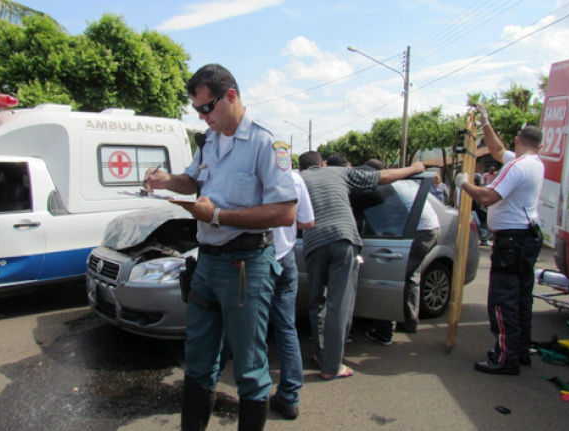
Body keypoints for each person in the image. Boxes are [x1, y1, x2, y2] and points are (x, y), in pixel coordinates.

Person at [143, 64, 297, 431]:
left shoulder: (267, 142)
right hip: (207, 263)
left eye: (206, 107)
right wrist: (167, 180)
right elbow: (191, 180)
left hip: (246, 265)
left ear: (230, 96)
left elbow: (286, 212)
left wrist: (219, 216)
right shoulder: (208, 141)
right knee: (197, 359)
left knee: (248, 366)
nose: (202, 116)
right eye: (196, 110)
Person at [298, 150, 425, 380]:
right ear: (323, 164)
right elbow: (381, 177)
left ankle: (322, 355)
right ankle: (331, 367)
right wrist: (414, 169)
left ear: (301, 169)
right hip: (343, 239)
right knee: (339, 304)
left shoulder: (298, 180)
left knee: (317, 301)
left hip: (313, 242)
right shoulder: (339, 172)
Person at [455, 103, 544, 376]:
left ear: (518, 141)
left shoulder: (516, 167)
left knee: (503, 300)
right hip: (526, 237)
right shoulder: (534, 163)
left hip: (513, 241)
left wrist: (464, 183)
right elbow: (495, 150)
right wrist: (485, 123)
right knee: (520, 298)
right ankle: (519, 350)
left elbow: (487, 197)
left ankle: (506, 358)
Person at [364, 162, 440, 344]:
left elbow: (387, 219)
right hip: (430, 229)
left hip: (420, 232)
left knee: (389, 278)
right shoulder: (403, 182)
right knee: (410, 277)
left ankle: (384, 332)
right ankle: (410, 321)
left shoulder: (387, 187)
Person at [268, 170, 314, 420]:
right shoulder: (295, 178)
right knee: (286, 328)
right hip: (286, 257)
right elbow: (308, 222)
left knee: (247, 328)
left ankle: (253, 394)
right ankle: (289, 397)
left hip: (258, 258)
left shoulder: (252, 172)